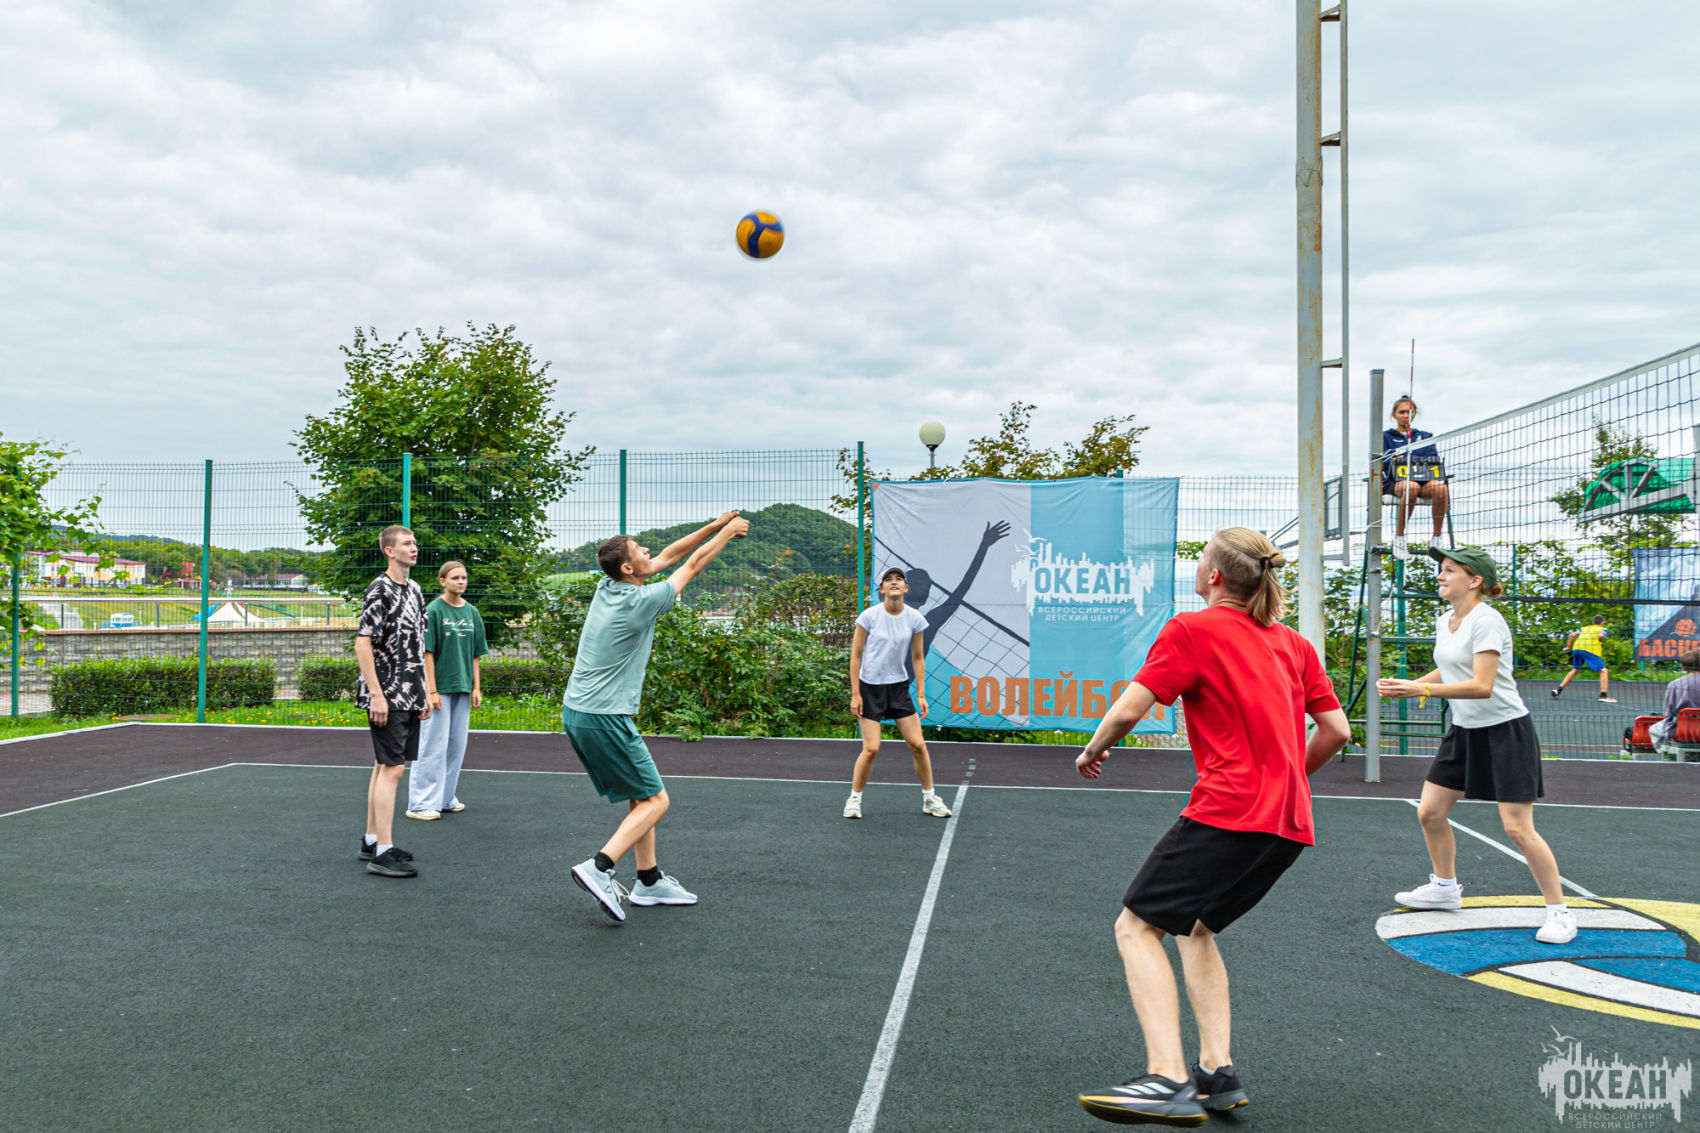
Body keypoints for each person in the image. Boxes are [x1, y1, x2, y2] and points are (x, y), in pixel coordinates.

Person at [1074, 529, 1350, 1126]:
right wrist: (1284, 779)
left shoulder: (1191, 630)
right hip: (1288, 823)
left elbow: (1129, 709)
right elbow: (1336, 732)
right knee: (1194, 928)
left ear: (1214, 577)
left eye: (1201, 561)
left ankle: (1167, 1078)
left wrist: (1092, 750)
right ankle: (1217, 1071)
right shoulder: (1295, 645)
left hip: (1230, 810)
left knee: (1136, 927)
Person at [1377, 546, 1577, 946]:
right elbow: (1451, 667)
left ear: (1474, 581)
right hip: (1465, 730)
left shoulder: (1488, 621)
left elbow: (1482, 685)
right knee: (1430, 813)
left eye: (1449, 570)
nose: (1440, 576)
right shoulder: (1445, 620)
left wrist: (1423, 690)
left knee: (1517, 828)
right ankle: (1445, 888)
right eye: (1441, 569)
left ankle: (1560, 912)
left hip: (1506, 731)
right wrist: (1412, 685)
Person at [563, 511, 750, 922]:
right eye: (638, 550)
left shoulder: (608, 586)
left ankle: (648, 881)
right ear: (628, 568)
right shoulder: (640, 602)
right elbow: (692, 565)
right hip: (603, 716)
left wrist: (714, 526)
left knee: (640, 794)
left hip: (580, 711)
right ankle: (599, 867)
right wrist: (728, 534)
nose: (648, 550)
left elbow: (669, 556)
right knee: (656, 800)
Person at [354, 525, 432, 879]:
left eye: (415, 543)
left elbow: (419, 644)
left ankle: (372, 841)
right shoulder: (379, 589)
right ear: (389, 551)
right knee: (393, 768)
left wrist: (424, 690)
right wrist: (376, 694)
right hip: (387, 693)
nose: (414, 548)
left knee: (383, 764)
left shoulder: (414, 589)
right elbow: (363, 642)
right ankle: (383, 853)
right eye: (406, 543)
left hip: (410, 692)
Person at [843, 567, 951, 821]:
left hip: (899, 689)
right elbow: (856, 655)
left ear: (906, 588)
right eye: (888, 580)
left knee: (918, 744)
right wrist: (856, 694)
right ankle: (854, 799)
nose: (894, 583)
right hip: (870, 689)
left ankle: (930, 798)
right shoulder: (869, 617)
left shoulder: (915, 619)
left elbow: (917, 657)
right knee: (871, 748)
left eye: (898, 580)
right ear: (881, 589)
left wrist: (921, 694)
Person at [407, 560, 488, 821]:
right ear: (443, 581)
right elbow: (427, 654)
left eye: (464, 577)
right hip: (439, 689)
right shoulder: (433, 611)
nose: (461, 582)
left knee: (455, 746)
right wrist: (431, 692)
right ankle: (420, 803)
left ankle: (444, 798)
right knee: (432, 746)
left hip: (462, 687)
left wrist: (476, 687)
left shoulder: (472, 613)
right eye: (455, 578)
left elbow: (476, 654)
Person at [1381, 395, 1449, 561]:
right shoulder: (1385, 437)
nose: (1406, 415)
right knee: (1411, 487)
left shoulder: (1425, 436)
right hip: (1396, 482)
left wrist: (1410, 459)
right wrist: (1396, 460)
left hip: (1424, 480)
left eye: (1409, 412)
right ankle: (1399, 538)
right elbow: (1384, 461)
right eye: (1402, 412)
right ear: (1394, 415)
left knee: (1440, 488)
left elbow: (1432, 459)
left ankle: (1436, 538)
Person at [1552, 615, 1615, 702]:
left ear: (1592, 622)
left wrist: (1568, 647)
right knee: (1603, 670)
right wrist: (1601, 638)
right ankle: (1603, 696)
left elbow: (1571, 635)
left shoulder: (1584, 628)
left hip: (1576, 649)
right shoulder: (1603, 629)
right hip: (1589, 650)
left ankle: (1558, 690)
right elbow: (1601, 635)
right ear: (1602, 623)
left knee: (1576, 669)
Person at [1650, 649, 1700, 750]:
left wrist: (1668, 732)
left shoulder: (1675, 684)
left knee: (1653, 729)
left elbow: (1668, 712)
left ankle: (1666, 753)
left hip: (1683, 730)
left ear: (1683, 667)